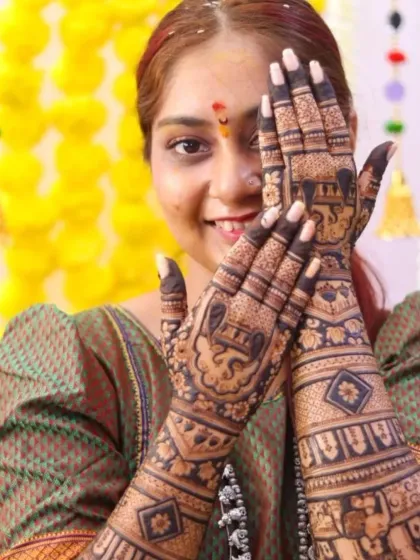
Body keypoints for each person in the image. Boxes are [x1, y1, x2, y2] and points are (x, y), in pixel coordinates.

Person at [1, 1, 420, 559]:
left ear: (340, 138)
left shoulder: (407, 350)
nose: (232, 183)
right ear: (150, 159)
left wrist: (325, 297)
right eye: (189, 146)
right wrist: (202, 418)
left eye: (271, 137)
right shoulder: (70, 363)